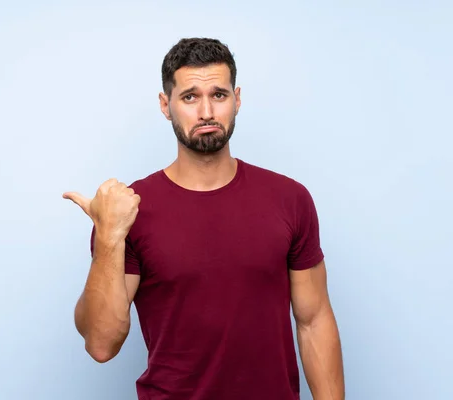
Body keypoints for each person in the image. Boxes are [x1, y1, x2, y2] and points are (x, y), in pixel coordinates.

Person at [63, 37, 345, 400]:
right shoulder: (128, 209)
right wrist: (107, 235)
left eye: (219, 95)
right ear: (166, 105)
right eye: (190, 97)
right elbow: (101, 345)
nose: (207, 112)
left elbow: (314, 320)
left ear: (237, 99)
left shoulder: (289, 199)